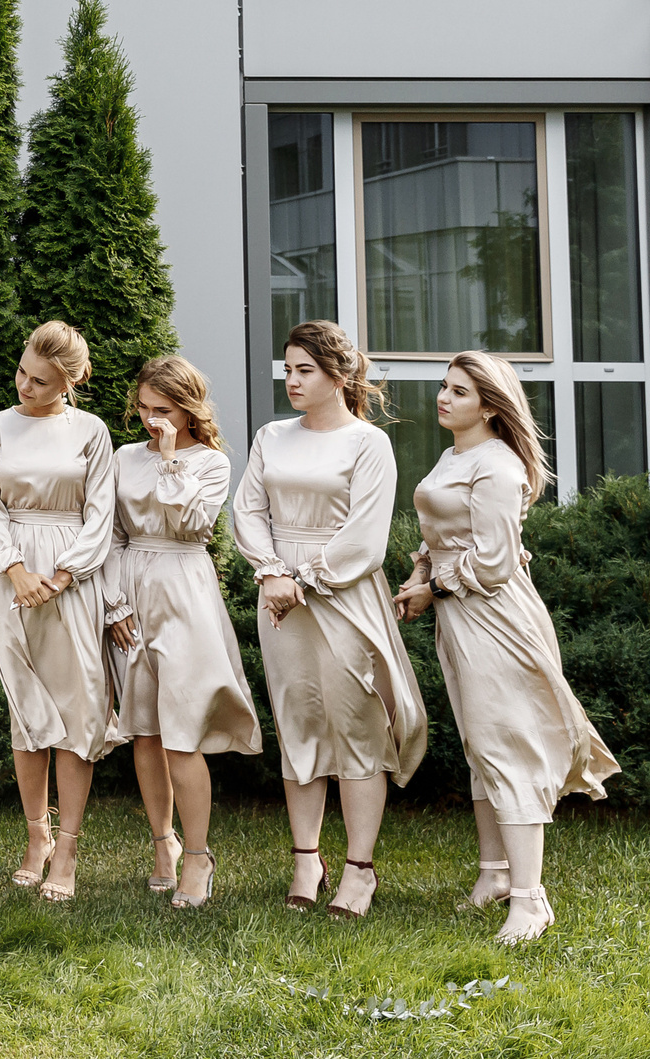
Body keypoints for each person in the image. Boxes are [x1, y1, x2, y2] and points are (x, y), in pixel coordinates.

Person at [393, 351, 619, 946]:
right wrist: (421, 576)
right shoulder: (454, 454)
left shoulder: (497, 466)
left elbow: (493, 564)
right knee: (480, 742)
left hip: (495, 619)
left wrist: (432, 587)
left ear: (491, 406)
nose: (443, 397)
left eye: (459, 391)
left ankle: (530, 900)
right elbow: (439, 538)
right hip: (458, 615)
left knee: (507, 743)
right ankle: (494, 874)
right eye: (444, 387)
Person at [231, 319, 425, 919]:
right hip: (279, 601)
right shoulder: (271, 436)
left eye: (304, 370)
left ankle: (359, 870)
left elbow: (365, 540)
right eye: (287, 370)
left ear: (339, 376)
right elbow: (248, 509)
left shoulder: (368, 444)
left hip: (343, 600)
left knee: (355, 725)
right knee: (298, 724)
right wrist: (270, 572)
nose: (291, 381)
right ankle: (305, 859)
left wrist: (304, 579)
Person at [101, 355, 260, 909]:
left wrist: (170, 461)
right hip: (131, 586)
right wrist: (113, 603)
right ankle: (162, 843)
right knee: (143, 728)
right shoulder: (122, 458)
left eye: (163, 410)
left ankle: (198, 856)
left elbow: (192, 525)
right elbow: (111, 534)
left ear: (189, 410)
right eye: (143, 409)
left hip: (184, 587)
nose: (151, 421)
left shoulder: (211, 463)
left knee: (182, 731)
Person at [0, 320, 119, 903]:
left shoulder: (91, 432)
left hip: (72, 575)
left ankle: (71, 847)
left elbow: (101, 513)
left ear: (71, 381)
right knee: (25, 708)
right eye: (22, 372)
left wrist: (61, 575)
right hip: (8, 575)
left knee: (77, 709)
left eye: (40, 381)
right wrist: (14, 569)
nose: (24, 386)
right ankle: (37, 837)